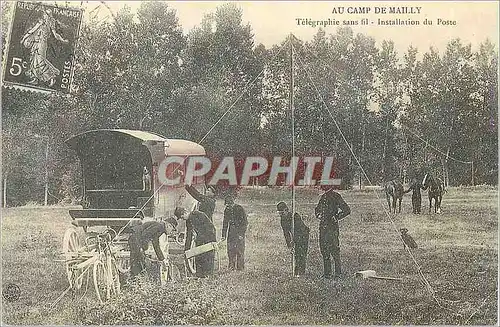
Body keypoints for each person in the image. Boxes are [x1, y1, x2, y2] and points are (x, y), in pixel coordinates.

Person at [314, 185, 351, 279]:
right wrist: (318, 215)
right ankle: (327, 274)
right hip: (323, 227)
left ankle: (338, 274)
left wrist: (337, 217)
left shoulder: (336, 196)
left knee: (334, 250)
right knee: (324, 250)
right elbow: (317, 209)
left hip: (332, 227)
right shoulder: (323, 197)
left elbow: (347, 210)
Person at [176, 207, 217, 278]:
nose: (183, 219)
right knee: (199, 258)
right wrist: (186, 250)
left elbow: (211, 227)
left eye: (182, 217)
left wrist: (213, 240)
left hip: (208, 239)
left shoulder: (198, 214)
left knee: (208, 258)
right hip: (199, 241)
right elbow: (189, 235)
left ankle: (209, 276)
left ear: (185, 212)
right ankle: (200, 275)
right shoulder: (188, 222)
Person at [276, 201, 310, 277]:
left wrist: (295, 241)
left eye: (281, 213)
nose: (280, 215)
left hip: (303, 235)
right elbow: (286, 233)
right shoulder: (282, 220)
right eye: (279, 213)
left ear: (286, 210)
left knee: (301, 253)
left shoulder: (295, 216)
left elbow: (300, 230)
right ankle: (296, 271)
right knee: (296, 254)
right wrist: (289, 245)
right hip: (295, 237)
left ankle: (301, 272)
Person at [221, 195, 247, 271]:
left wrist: (241, 234)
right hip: (231, 231)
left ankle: (240, 268)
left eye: (229, 205)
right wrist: (223, 235)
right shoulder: (227, 210)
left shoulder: (239, 208)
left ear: (232, 203)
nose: (228, 207)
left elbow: (244, 222)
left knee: (240, 249)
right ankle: (231, 266)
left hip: (239, 231)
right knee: (230, 249)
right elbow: (225, 223)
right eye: (227, 206)